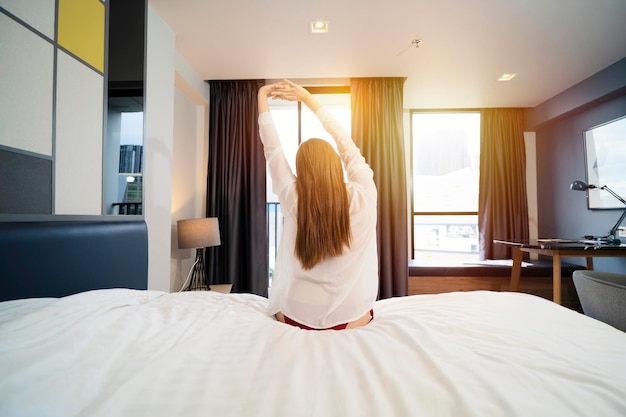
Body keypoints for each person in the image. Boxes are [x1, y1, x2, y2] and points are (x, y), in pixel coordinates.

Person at [257, 80, 378, 330]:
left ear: (301, 171)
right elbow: (346, 144)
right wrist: (307, 98)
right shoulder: (364, 194)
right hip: (349, 317)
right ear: (336, 164)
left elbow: (273, 150)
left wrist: (261, 96)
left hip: (295, 315)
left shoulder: (293, 197)